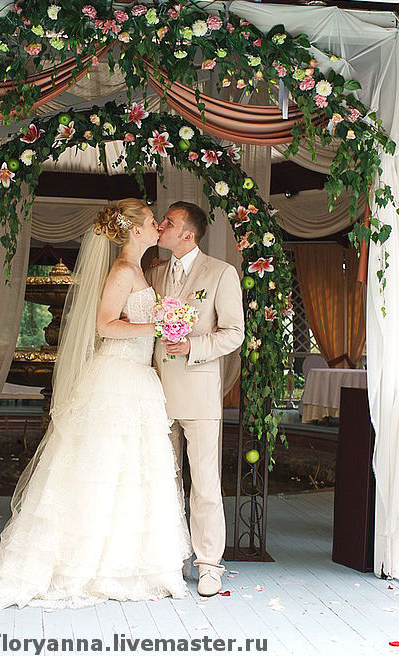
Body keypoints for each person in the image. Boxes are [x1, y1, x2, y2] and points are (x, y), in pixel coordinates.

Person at [0, 198, 191, 610]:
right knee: (104, 469)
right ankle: (87, 565)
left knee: (131, 471)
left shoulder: (138, 270)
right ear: (134, 229)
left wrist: (160, 322)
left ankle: (129, 563)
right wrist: (158, 324)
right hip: (118, 377)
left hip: (137, 377)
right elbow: (104, 325)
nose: (156, 226)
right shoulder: (123, 270)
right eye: (151, 221)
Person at [147, 201, 244, 598]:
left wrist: (193, 346)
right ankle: (169, 559)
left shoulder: (221, 273)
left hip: (199, 392)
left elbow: (234, 333)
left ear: (187, 234)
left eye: (168, 222)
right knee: (163, 482)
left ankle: (208, 565)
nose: (160, 225)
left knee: (204, 484)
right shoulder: (153, 273)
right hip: (154, 393)